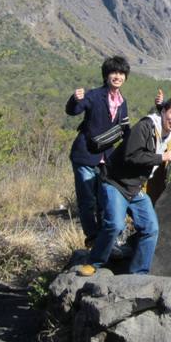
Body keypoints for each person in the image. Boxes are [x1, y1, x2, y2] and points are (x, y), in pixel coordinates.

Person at [78, 98, 171, 276]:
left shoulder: (168, 138)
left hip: (136, 188)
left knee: (150, 229)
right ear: (163, 111)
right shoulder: (146, 126)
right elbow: (131, 155)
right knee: (114, 224)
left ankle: (139, 274)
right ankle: (94, 262)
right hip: (115, 183)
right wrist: (160, 158)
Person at [66, 56, 139, 247]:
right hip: (85, 155)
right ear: (106, 76)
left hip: (106, 158)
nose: (118, 76)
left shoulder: (122, 102)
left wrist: (135, 148)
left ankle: (106, 239)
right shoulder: (93, 95)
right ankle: (92, 237)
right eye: (114, 73)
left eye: (121, 73)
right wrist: (75, 99)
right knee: (87, 200)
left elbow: (125, 129)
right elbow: (73, 111)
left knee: (104, 199)